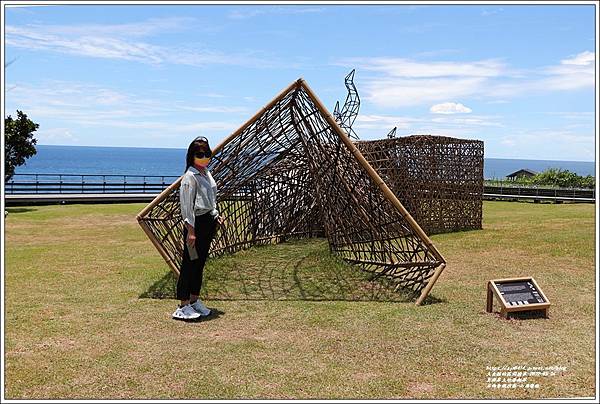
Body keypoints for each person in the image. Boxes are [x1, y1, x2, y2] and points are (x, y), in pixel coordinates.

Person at [172, 136, 223, 321]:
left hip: (208, 221)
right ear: (192, 156)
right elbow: (187, 206)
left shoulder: (206, 173)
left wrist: (216, 215)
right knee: (189, 264)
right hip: (195, 223)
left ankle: (194, 300)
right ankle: (183, 305)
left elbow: (211, 199)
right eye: (200, 154)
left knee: (199, 263)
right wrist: (191, 231)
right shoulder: (190, 177)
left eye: (207, 153)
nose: (204, 157)